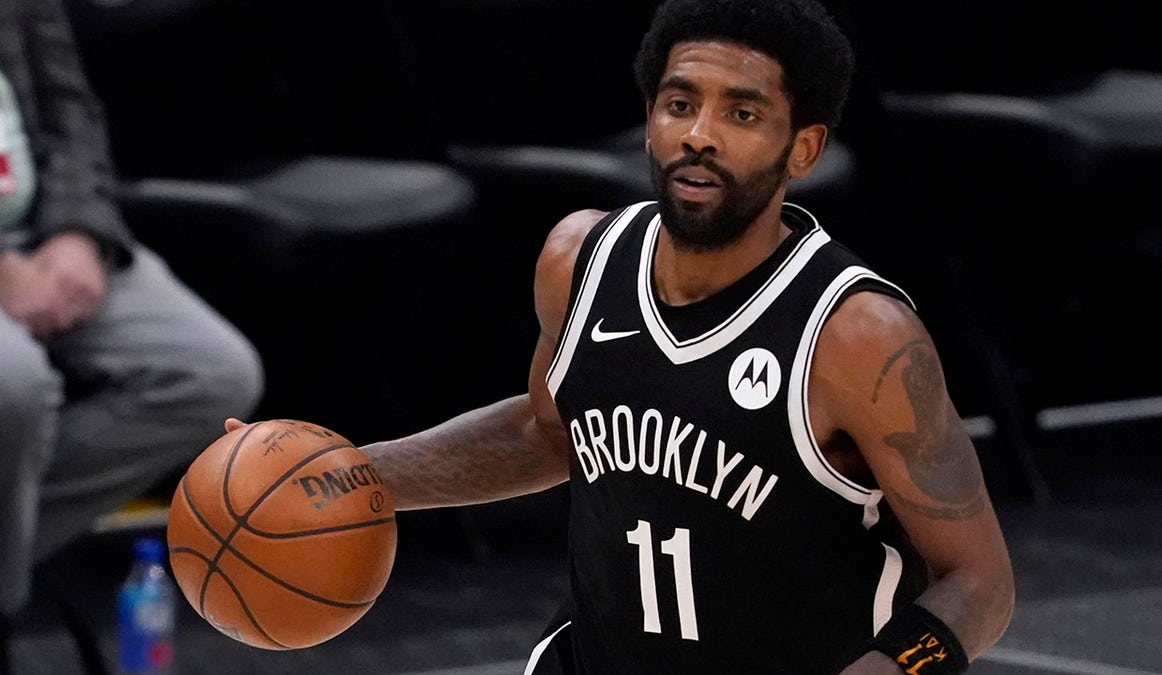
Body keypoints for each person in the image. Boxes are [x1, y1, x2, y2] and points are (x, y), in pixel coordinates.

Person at [232, 0, 1014, 672]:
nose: (700, 135)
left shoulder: (857, 336)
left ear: (802, 148)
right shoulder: (579, 259)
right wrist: (340, 474)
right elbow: (550, 432)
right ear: (649, 122)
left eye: (741, 113)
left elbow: (980, 581)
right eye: (680, 104)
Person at [0, 0, 263, 663]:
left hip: (44, 233)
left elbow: (68, 108)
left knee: (213, 372)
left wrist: (78, 235)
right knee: (14, 384)